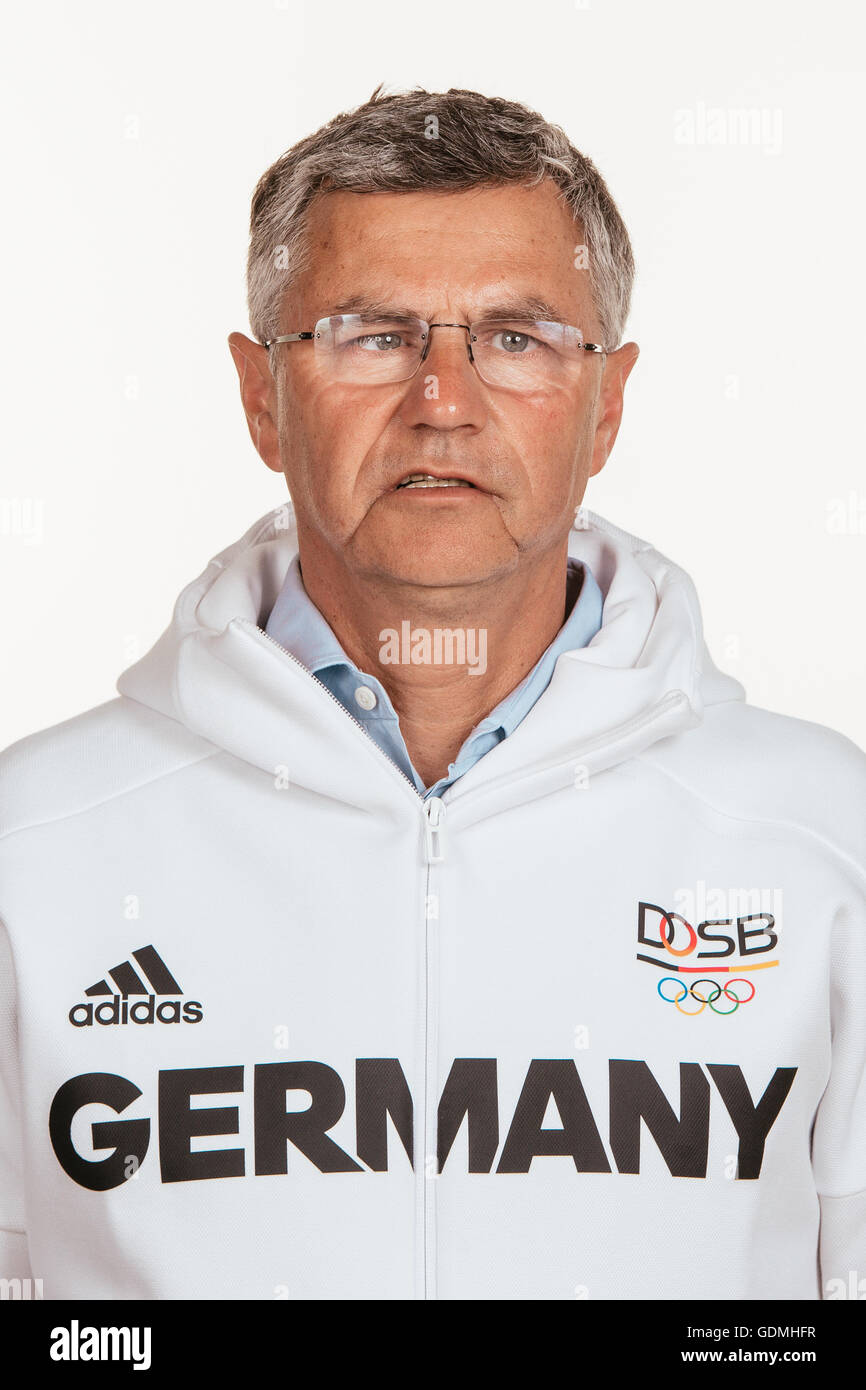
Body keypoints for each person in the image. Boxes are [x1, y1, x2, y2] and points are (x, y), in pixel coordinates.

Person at [1, 85, 863, 1302]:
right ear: (262, 396)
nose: (441, 401)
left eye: (515, 337)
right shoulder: (32, 849)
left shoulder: (824, 842)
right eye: (372, 334)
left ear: (605, 403)